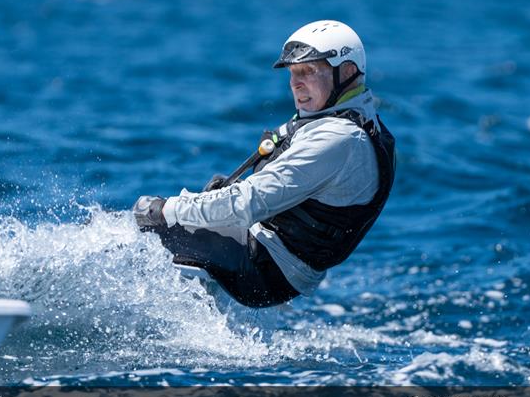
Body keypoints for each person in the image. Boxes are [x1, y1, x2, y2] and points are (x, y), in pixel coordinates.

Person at [133, 20, 396, 308]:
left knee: (144, 227)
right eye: (293, 73)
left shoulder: (339, 139)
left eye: (309, 71)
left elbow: (246, 202)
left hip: (264, 268)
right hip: (277, 263)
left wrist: (166, 209)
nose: (296, 84)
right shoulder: (356, 119)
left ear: (346, 72)